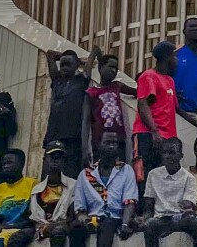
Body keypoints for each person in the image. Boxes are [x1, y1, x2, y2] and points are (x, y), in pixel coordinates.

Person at [69, 131, 138, 247]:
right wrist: (84, 220)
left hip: (117, 218)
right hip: (94, 219)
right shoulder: (86, 174)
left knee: (107, 224)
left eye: (114, 143)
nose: (111, 146)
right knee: (75, 228)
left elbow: (130, 201)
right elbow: (80, 208)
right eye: (107, 143)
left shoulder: (126, 170)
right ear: (98, 145)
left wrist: (125, 224)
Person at [141, 138, 197, 247]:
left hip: (181, 219)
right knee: (149, 225)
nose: (167, 156)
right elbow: (149, 206)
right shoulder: (153, 175)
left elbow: (188, 204)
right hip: (161, 219)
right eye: (164, 153)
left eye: (172, 153)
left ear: (181, 156)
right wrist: (144, 218)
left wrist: (187, 209)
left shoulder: (188, 178)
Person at [133, 41, 179, 176]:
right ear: (167, 57)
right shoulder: (149, 76)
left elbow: (176, 108)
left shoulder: (170, 80)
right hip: (148, 135)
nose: (177, 60)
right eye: (175, 56)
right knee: (144, 176)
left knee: (163, 178)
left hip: (167, 138)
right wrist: (154, 131)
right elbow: (144, 104)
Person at [45, 49, 92, 179]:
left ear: (76, 66)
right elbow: (49, 54)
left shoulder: (81, 81)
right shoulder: (57, 81)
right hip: (53, 135)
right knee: (49, 177)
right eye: (62, 64)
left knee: (71, 176)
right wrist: (63, 57)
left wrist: (81, 61)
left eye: (68, 64)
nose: (64, 68)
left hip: (72, 137)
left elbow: (93, 54)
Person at [87, 48, 135, 161]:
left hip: (119, 140)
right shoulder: (92, 92)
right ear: (100, 68)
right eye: (110, 67)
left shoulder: (117, 86)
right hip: (100, 142)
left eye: (116, 68)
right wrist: (94, 55)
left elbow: (138, 92)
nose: (113, 71)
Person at [30, 141, 78, 247]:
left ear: (64, 161)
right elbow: (35, 218)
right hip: (42, 229)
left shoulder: (74, 185)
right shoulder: (36, 189)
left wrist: (54, 225)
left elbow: (72, 216)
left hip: (63, 227)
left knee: (58, 231)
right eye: (52, 156)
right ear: (44, 159)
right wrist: (41, 227)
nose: (55, 160)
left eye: (59, 157)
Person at [0, 149, 40, 247]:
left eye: (9, 163)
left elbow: (34, 217)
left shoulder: (32, 184)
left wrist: (6, 227)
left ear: (21, 164)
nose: (5, 166)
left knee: (3, 239)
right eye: (4, 163)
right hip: (2, 228)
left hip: (24, 227)